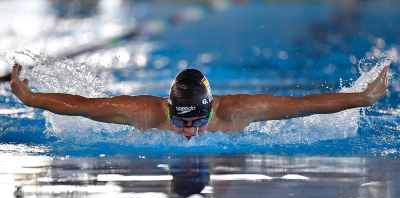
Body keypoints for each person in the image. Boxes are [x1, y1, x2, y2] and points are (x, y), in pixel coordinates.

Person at [10, 63, 389, 140]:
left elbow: (303, 104)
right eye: (180, 122)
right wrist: (30, 98)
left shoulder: (237, 112)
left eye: (195, 122)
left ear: (211, 110)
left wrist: (362, 98)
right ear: (168, 108)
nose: (188, 132)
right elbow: (83, 105)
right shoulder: (146, 113)